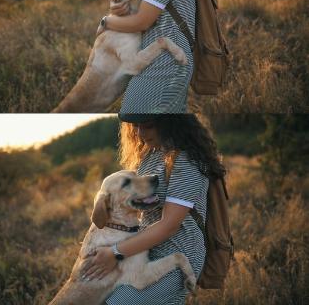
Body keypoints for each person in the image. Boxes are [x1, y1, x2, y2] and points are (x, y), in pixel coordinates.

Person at [79, 114, 225, 305]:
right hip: (142, 252)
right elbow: (135, 208)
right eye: (136, 127)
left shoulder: (186, 160)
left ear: (171, 123)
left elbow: (169, 225)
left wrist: (114, 252)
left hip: (179, 255)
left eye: (147, 126)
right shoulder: (149, 155)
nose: (140, 134)